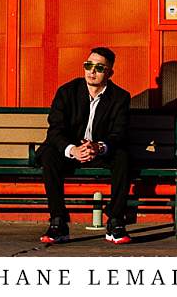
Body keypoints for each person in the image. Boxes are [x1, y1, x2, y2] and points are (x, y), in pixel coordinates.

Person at [38, 46, 132, 245]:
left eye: (99, 67)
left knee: (123, 156)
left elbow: (119, 133)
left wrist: (98, 147)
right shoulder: (67, 91)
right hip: (71, 150)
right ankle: (58, 222)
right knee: (49, 155)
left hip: (100, 151)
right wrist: (72, 149)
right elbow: (55, 129)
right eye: (88, 65)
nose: (92, 71)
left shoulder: (120, 97)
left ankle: (115, 220)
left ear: (109, 73)